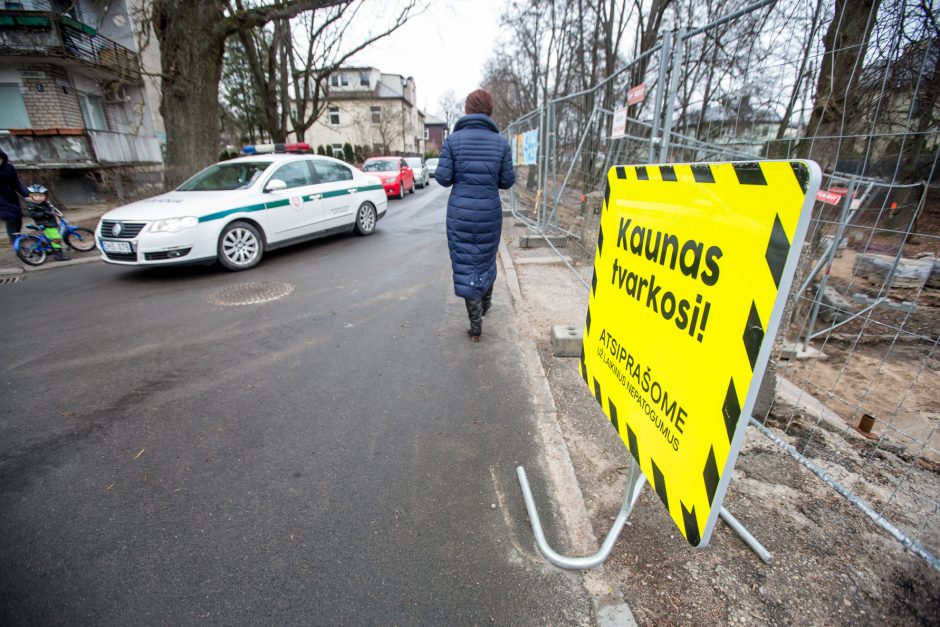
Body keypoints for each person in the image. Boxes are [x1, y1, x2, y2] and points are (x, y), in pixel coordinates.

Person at [435, 89, 516, 342]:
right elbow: (507, 181)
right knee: (485, 258)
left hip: (460, 214)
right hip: (489, 214)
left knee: (465, 262)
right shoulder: (501, 143)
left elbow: (443, 177)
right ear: (489, 111)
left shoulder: (453, 140)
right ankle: (487, 299)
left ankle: (475, 322)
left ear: (467, 111)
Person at [25, 184, 70, 261]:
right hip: (46, 224)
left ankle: (48, 249)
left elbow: (51, 210)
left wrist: (55, 213)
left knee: (49, 238)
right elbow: (31, 214)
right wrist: (44, 213)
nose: (38, 197)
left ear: (45, 196)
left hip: (49, 223)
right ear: (31, 196)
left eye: (41, 196)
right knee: (56, 238)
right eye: (36, 196)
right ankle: (58, 255)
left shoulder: (45, 203)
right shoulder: (32, 205)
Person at [0, 149, 27, 245]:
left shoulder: (9, 168)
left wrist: (27, 194)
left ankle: (17, 238)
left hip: (11, 197)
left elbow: (16, 183)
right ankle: (15, 242)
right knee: (10, 218)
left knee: (18, 219)